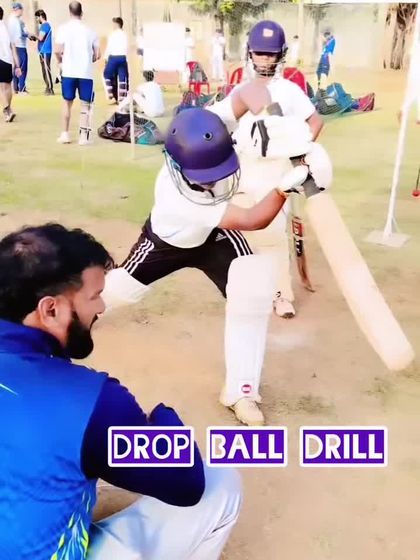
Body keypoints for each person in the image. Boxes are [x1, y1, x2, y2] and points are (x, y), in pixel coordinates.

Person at [0, 222, 242, 560]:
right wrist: (165, 419)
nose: (101, 307)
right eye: (94, 296)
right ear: (50, 309)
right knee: (220, 483)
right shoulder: (91, 400)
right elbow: (185, 485)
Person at [101, 107, 330, 426]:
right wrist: (284, 188)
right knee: (118, 291)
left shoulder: (222, 145)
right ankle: (75, 314)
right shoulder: (176, 196)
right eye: (204, 176)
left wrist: (291, 144)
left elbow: (248, 117)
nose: (212, 180)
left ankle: (241, 391)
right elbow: (252, 219)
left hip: (214, 236)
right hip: (167, 242)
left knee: (252, 292)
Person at [207, 20, 324, 318]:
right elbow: (220, 122)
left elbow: (315, 122)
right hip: (242, 169)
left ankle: (281, 295)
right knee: (238, 233)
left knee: (272, 236)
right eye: (259, 53)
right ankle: (247, 290)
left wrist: (302, 150)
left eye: (270, 54)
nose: (264, 60)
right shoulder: (241, 90)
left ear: (281, 54)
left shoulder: (289, 91)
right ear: (250, 53)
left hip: (275, 172)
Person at [55, 1, 100, 145]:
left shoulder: (63, 29)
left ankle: (65, 134)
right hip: (85, 72)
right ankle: (83, 137)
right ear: (82, 13)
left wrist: (61, 62)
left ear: (70, 12)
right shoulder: (91, 31)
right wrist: (88, 59)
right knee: (85, 105)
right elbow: (97, 54)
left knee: (67, 102)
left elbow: (57, 50)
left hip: (68, 71)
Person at [7, 2, 36, 94]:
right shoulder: (17, 21)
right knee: (22, 68)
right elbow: (21, 33)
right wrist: (29, 35)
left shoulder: (11, 19)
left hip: (14, 46)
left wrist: (29, 36)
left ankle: (15, 88)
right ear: (18, 9)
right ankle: (22, 88)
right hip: (20, 46)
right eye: (21, 10)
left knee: (16, 67)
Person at [0, 5, 21, 121]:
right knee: (8, 87)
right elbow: (13, 47)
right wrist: (17, 65)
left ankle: (7, 110)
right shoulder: (6, 28)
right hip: (8, 61)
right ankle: (9, 110)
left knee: (1, 88)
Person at [103, 16, 129, 104]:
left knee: (106, 74)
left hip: (113, 57)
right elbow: (127, 47)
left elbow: (109, 47)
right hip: (123, 57)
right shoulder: (125, 34)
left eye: (114, 24)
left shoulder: (112, 34)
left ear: (117, 24)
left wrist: (105, 57)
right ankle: (122, 98)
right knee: (122, 77)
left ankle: (110, 95)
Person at [35, 9, 54, 95]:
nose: (36, 20)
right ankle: (48, 87)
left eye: (37, 17)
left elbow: (41, 38)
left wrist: (33, 35)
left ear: (41, 17)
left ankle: (50, 89)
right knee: (44, 70)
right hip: (43, 51)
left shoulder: (45, 25)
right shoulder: (44, 26)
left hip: (45, 51)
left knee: (46, 70)